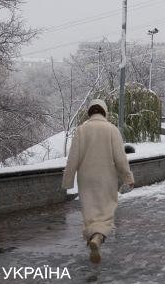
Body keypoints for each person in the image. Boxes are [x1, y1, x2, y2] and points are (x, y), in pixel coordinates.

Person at [62, 99, 135, 264]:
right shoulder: (112, 129)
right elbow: (120, 158)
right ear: (104, 112)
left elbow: (72, 159)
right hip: (106, 178)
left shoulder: (81, 130)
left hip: (86, 178)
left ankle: (92, 236)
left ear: (90, 112)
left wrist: (67, 181)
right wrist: (127, 177)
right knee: (105, 213)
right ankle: (98, 238)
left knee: (90, 213)